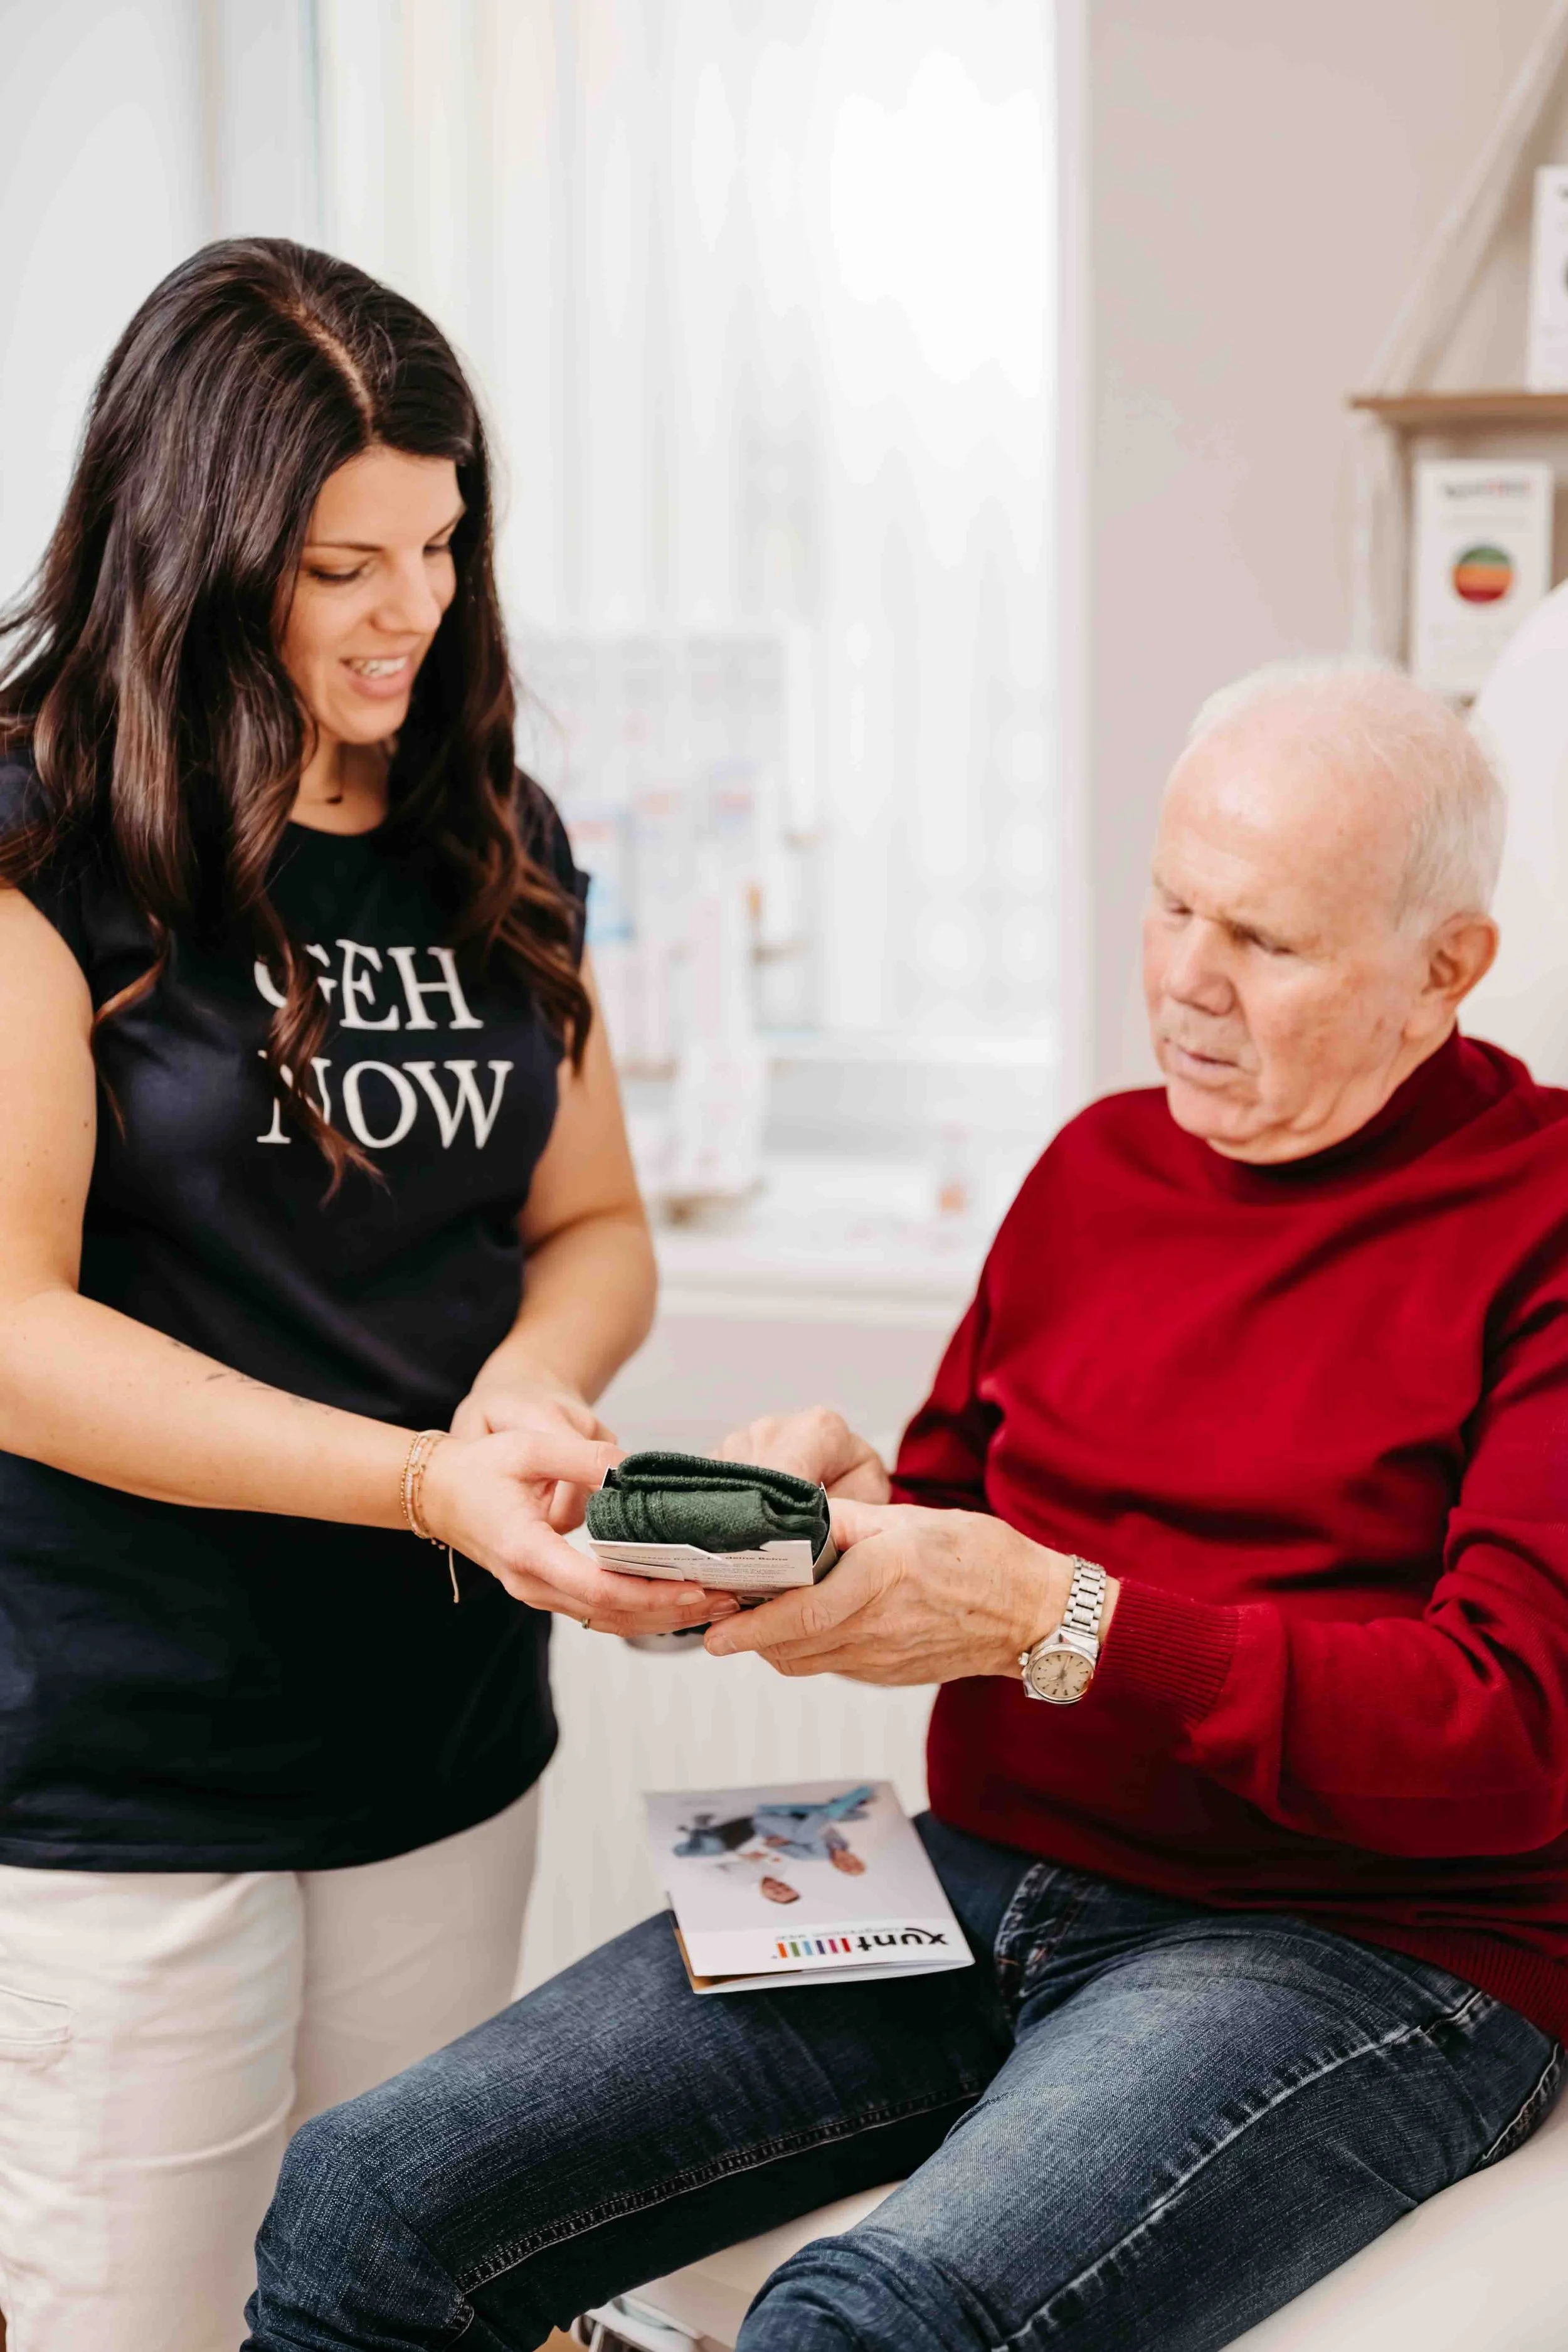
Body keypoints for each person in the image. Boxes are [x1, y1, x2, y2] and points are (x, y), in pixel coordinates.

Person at [246, 664, 1568, 2351]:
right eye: (1168, 903)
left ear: (1443, 967)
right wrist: (841, 1515)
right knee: (365, 2190)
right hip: (974, 1864)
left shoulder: (1535, 1221)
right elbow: (964, 1504)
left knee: (868, 2323)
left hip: (1353, 1937)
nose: (1182, 980)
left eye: (1266, 940)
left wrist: (1055, 1619)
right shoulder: (1095, 1168)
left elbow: (1505, 1730)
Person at [0, 239, 739, 2352]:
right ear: (205, 547)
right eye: (345, 563)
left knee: (399, 2308)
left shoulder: (485, 829)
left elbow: (590, 1227)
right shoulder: (44, 849)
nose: (416, 604)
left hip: (437, 1749)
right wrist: (426, 1484)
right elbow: (13, 1330)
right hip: (130, 1782)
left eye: (442, 536)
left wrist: (521, 1390)